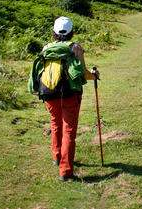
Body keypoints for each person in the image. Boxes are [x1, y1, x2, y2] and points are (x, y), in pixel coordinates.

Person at [40, 17, 99, 182]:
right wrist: (95, 76)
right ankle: (65, 171)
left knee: (55, 124)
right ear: (71, 31)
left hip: (49, 93)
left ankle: (56, 158)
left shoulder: (46, 48)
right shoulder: (75, 47)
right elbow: (83, 73)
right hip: (70, 94)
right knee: (68, 131)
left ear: (54, 32)